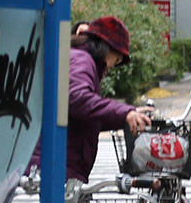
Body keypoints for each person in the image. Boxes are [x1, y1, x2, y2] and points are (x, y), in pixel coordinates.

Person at [30, 16, 152, 183]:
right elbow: (79, 100)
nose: (111, 66)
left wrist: (126, 115)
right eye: (116, 59)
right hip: (58, 163)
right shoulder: (82, 59)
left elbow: (88, 116)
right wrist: (124, 112)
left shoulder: (80, 58)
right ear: (106, 47)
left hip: (62, 162)